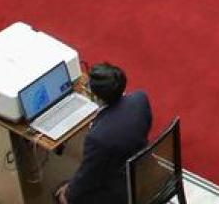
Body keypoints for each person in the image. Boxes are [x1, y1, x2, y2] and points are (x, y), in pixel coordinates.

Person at [56, 63, 152, 204]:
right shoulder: (140, 99)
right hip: (146, 171)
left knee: (61, 192)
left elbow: (88, 176)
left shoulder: (97, 138)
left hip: (123, 191)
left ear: (97, 98)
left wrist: (68, 192)